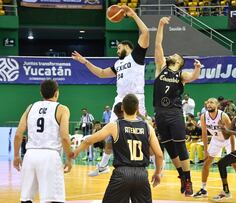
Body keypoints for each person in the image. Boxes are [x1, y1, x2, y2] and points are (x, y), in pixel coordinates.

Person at [72, 5, 149, 176]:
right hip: (120, 100)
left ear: (126, 47)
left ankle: (142, 163)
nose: (117, 50)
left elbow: (145, 33)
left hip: (136, 98)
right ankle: (103, 165)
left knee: (140, 133)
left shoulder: (136, 55)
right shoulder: (118, 63)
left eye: (118, 47)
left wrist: (133, 15)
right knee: (110, 133)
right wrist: (85, 62)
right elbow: (100, 74)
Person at [73, 94, 164, 203]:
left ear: (122, 108)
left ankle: (102, 166)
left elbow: (89, 140)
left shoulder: (114, 126)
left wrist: (75, 151)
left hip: (122, 173)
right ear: (137, 108)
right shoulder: (148, 128)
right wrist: (158, 173)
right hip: (142, 174)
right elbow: (159, 155)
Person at [153, 16, 202, 196]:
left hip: (174, 113)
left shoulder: (181, 75)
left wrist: (197, 68)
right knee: (170, 148)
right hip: (159, 113)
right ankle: (181, 175)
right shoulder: (160, 67)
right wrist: (160, 25)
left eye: (174, 55)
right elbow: (158, 45)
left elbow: (193, 77)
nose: (170, 54)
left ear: (179, 61)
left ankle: (188, 181)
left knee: (180, 147)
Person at [13, 80, 73, 203]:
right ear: (57, 93)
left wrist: (16, 156)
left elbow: (18, 134)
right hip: (50, 156)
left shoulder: (30, 107)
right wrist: (69, 158)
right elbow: (65, 137)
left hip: (30, 156)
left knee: (26, 199)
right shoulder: (62, 109)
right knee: (54, 200)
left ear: (41, 93)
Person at [193, 98, 236, 201]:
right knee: (206, 163)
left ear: (217, 105)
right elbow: (204, 134)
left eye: (211, 102)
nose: (209, 104)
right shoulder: (204, 116)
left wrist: (233, 150)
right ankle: (203, 189)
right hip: (216, 140)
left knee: (235, 165)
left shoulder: (223, 116)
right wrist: (206, 150)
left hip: (228, 140)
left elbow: (231, 133)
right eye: (208, 102)